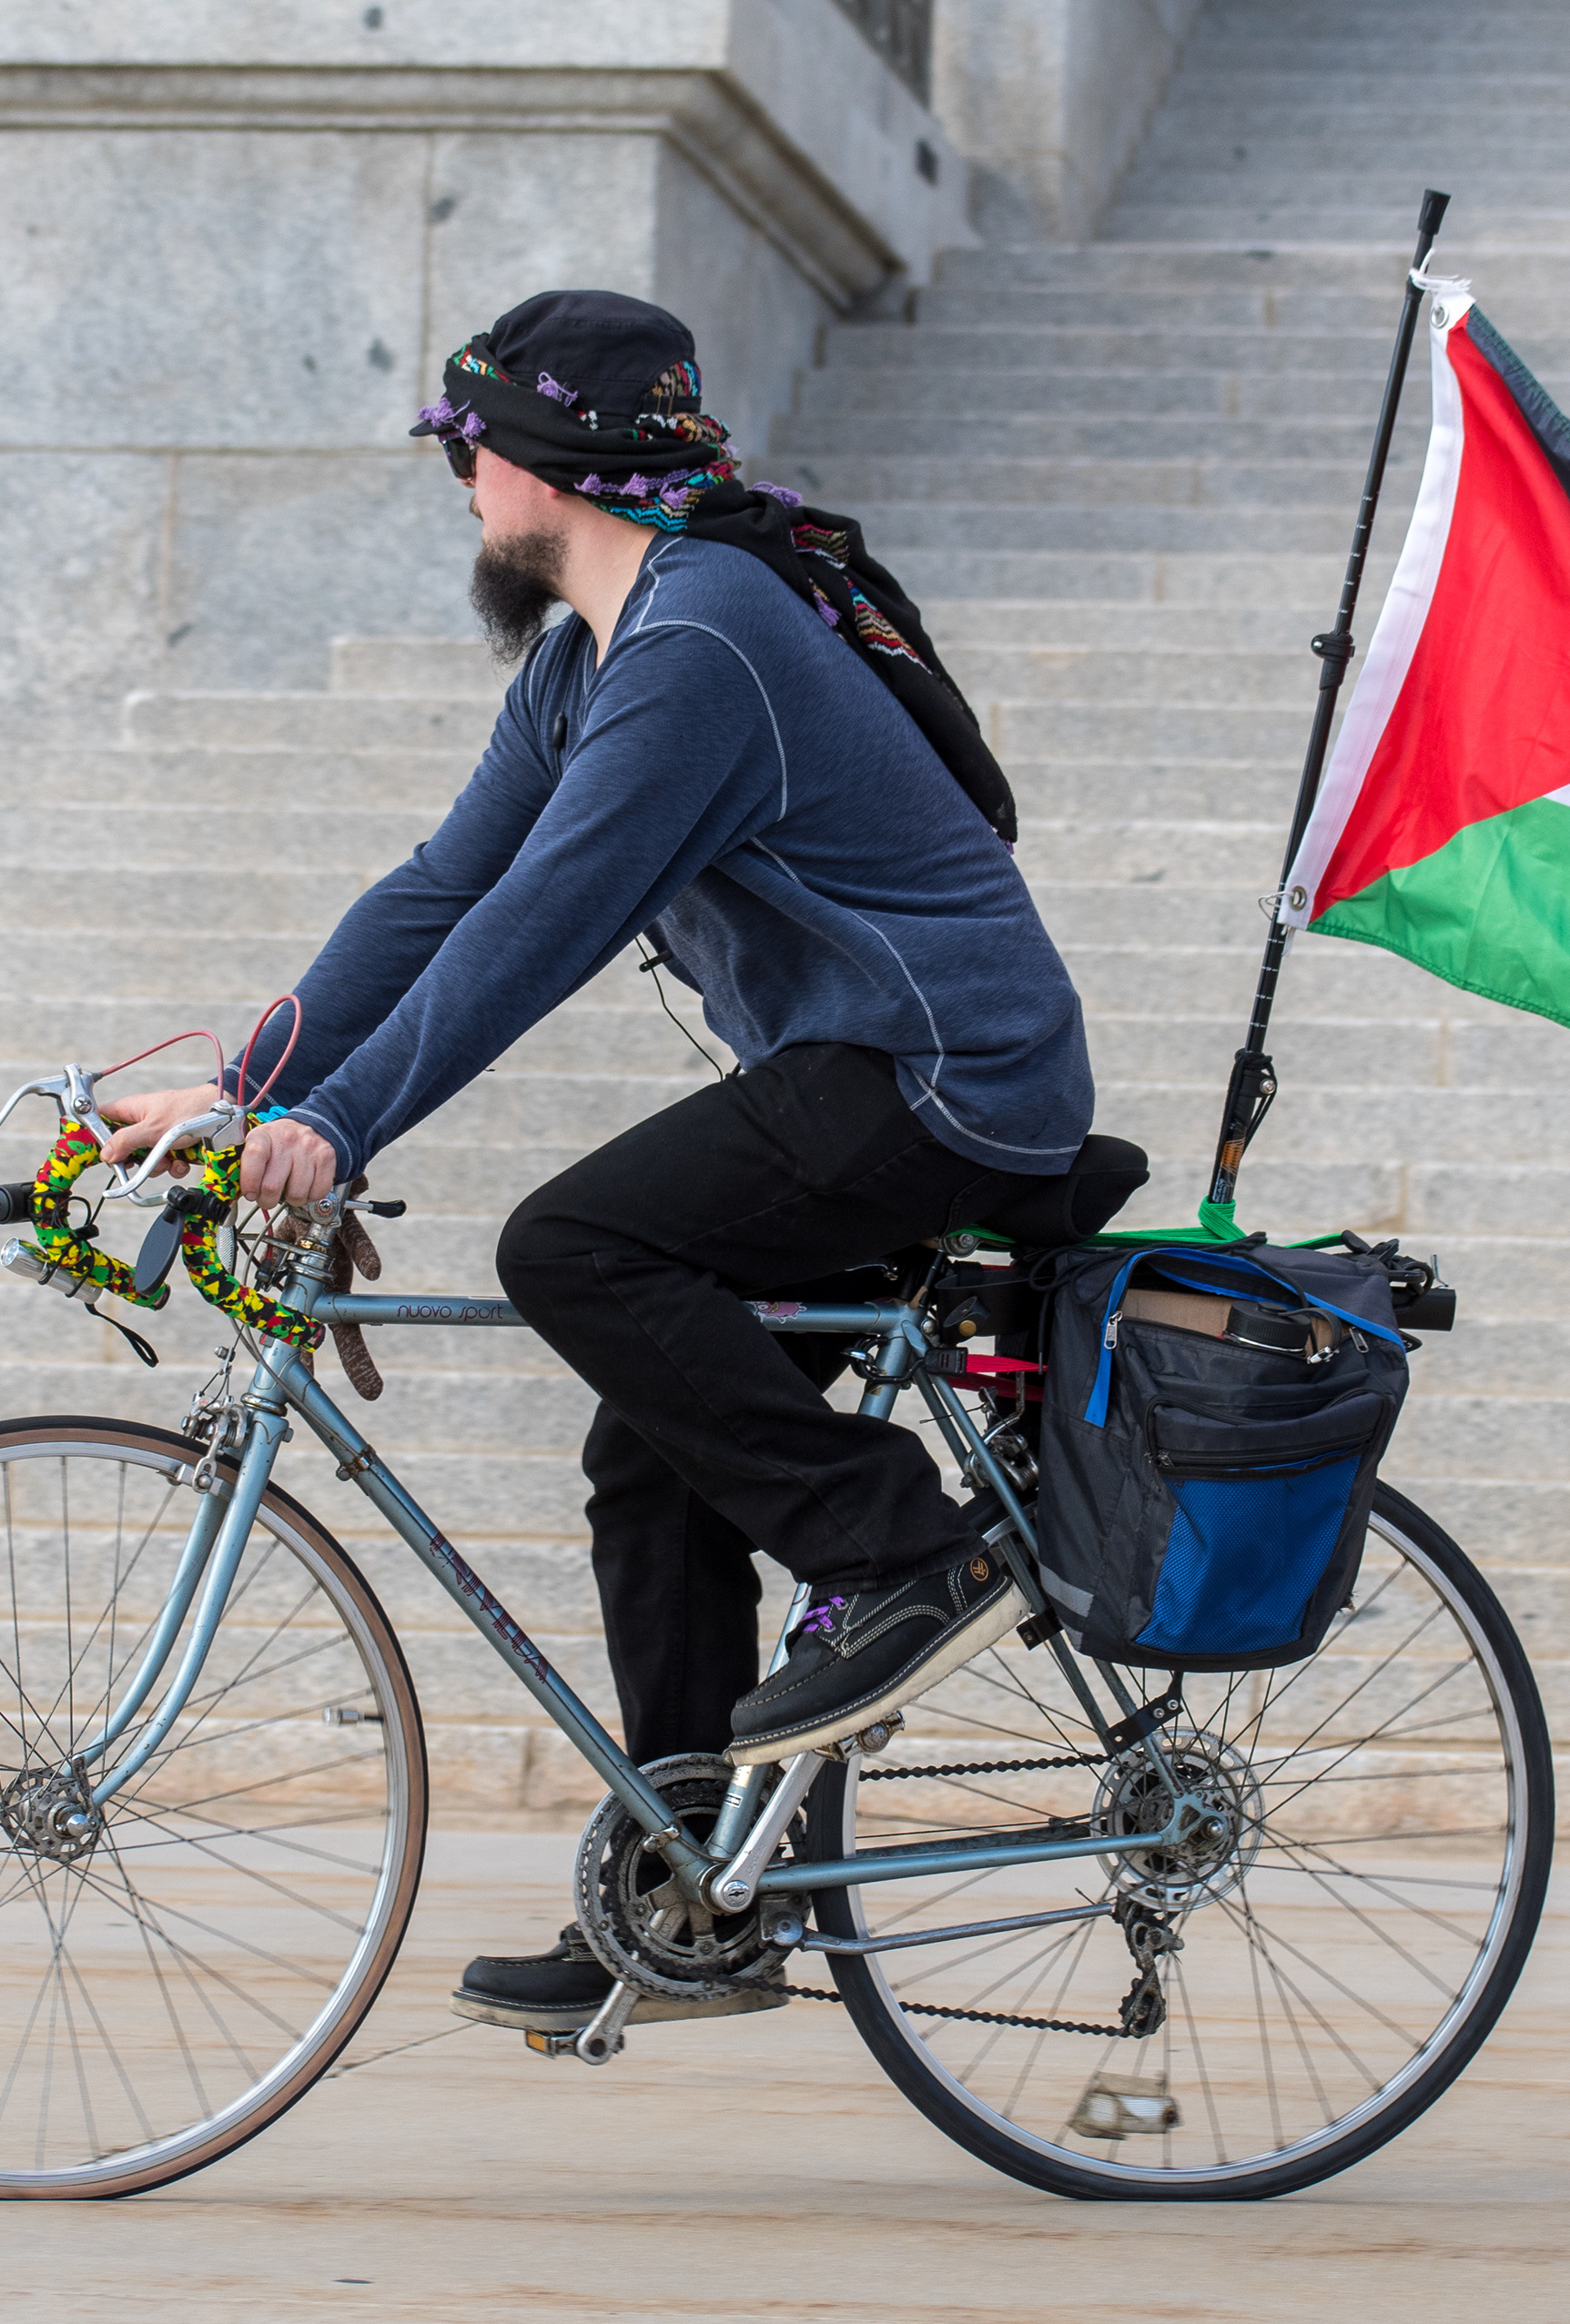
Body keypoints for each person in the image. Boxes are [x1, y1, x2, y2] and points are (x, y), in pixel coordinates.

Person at [96, 290, 1096, 2034]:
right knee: (652, 1457)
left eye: (466, 446)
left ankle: (907, 1553)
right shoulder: (591, 654)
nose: (457, 479)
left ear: (548, 462)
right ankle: (701, 1886)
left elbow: (546, 928)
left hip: (947, 1077)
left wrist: (340, 1125)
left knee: (575, 1248)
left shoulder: (706, 644)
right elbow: (440, 893)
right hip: (854, 1068)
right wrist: (243, 1087)